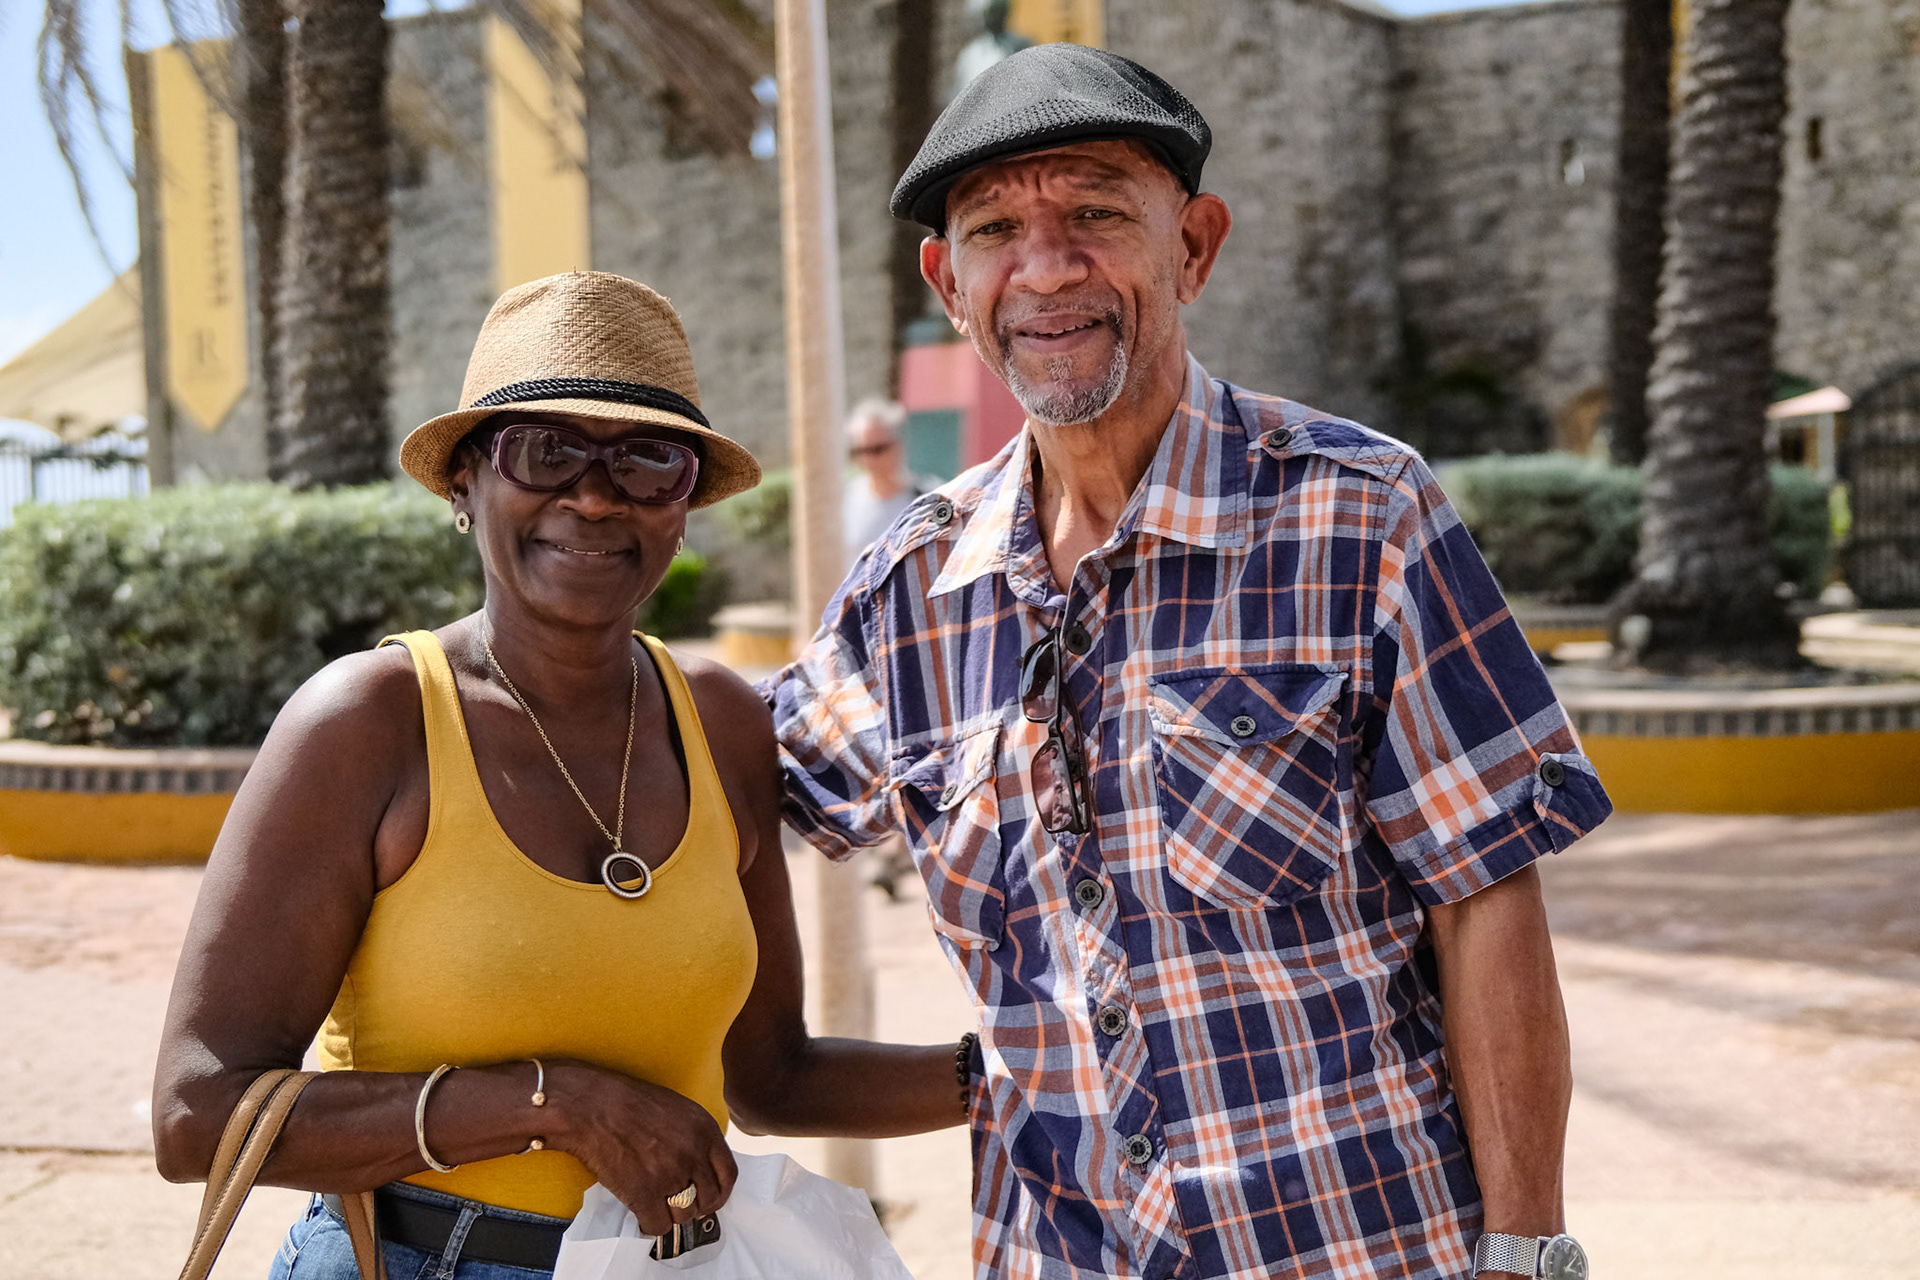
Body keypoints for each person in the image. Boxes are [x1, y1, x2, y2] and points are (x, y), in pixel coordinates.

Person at [767, 45, 1612, 1280]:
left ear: (1195, 246)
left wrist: (1524, 1249)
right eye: (998, 227)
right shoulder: (911, 593)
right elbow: (714, 788)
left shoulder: (1360, 514)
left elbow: (1485, 897)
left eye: (1098, 214)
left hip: (1359, 1246)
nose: (1047, 266)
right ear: (951, 284)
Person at [153, 272, 967, 1280]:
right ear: (465, 483)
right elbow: (197, 1114)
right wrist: (561, 1103)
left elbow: (773, 1075)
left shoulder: (718, 721)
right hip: (419, 1260)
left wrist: (1009, 1073)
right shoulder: (370, 722)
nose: (591, 495)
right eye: (545, 453)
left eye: (647, 461)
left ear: (682, 504)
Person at [841, 397, 926, 563]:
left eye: (877, 450)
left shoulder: (926, 498)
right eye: (860, 451)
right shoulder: (844, 500)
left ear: (897, 445)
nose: (869, 460)